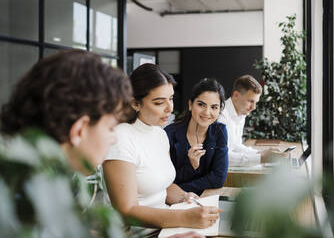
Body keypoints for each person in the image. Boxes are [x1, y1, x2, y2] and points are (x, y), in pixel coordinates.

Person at [0, 50, 132, 237]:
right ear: (79, 129)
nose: (114, 138)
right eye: (111, 127)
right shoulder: (23, 199)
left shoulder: (40, 175)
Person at [103, 64, 220, 233]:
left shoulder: (159, 134)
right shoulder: (120, 139)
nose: (170, 108)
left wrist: (183, 196)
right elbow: (126, 211)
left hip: (163, 228)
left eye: (171, 99)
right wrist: (184, 218)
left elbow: (163, 186)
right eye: (159, 102)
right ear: (135, 104)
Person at [165, 78, 228, 196]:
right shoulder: (169, 134)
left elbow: (218, 178)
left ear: (220, 110)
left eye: (214, 107)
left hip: (205, 198)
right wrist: (191, 165)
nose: (207, 112)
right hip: (175, 202)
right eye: (201, 104)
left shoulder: (220, 131)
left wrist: (178, 189)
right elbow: (167, 180)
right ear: (190, 104)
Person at [218, 74, 286, 167]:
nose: (253, 107)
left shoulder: (240, 112)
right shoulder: (221, 117)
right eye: (250, 101)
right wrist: (261, 158)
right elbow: (223, 157)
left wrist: (260, 153)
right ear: (236, 95)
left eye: (256, 103)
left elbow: (235, 145)